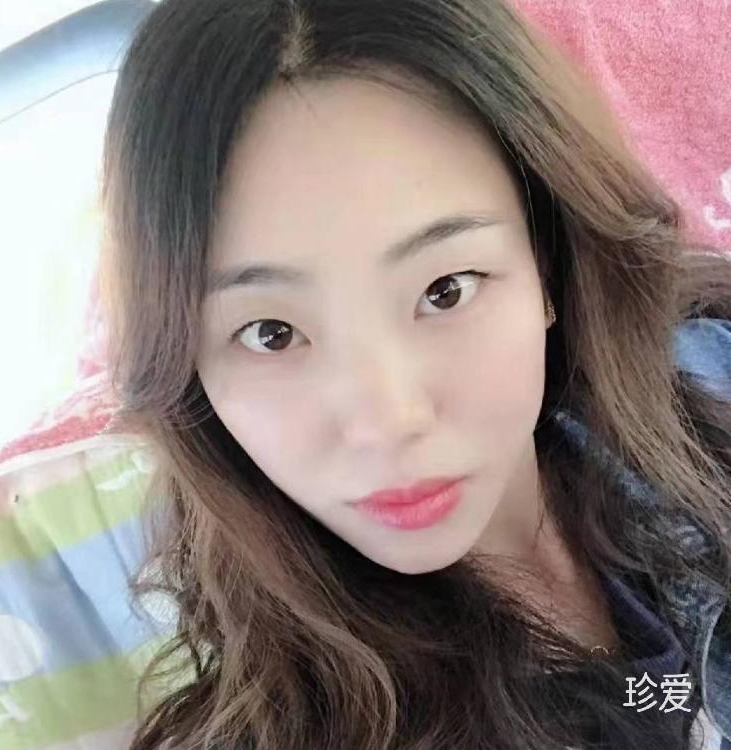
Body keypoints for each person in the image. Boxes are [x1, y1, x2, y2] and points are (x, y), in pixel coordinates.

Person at [97, 0, 731, 747]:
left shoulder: (705, 367)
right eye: (272, 334)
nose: (387, 419)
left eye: (445, 290)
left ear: (546, 264)